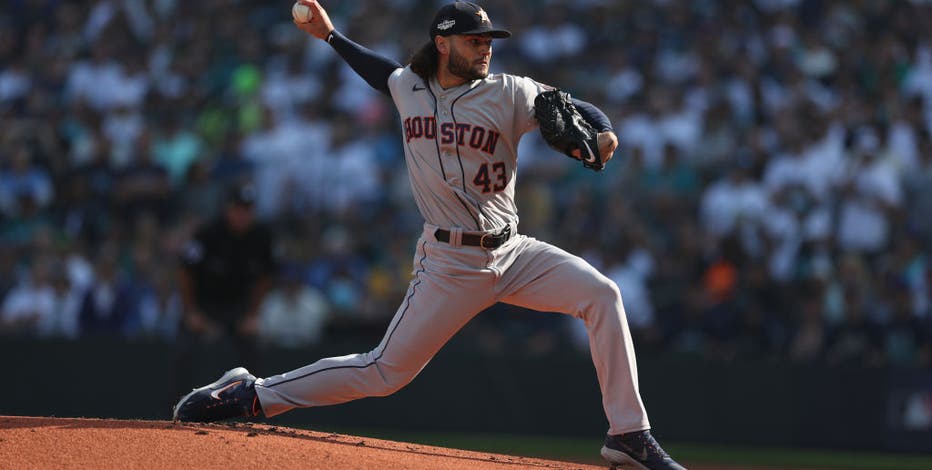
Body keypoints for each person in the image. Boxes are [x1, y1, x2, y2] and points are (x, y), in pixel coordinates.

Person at [173, 2, 684, 468]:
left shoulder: (509, 92)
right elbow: (381, 73)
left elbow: (570, 106)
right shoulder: (410, 88)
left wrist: (604, 127)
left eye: (488, 41)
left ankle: (628, 434)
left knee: (602, 294)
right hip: (449, 263)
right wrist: (331, 36)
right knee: (383, 373)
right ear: (442, 43)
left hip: (514, 251)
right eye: (473, 40)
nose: (485, 48)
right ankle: (253, 394)